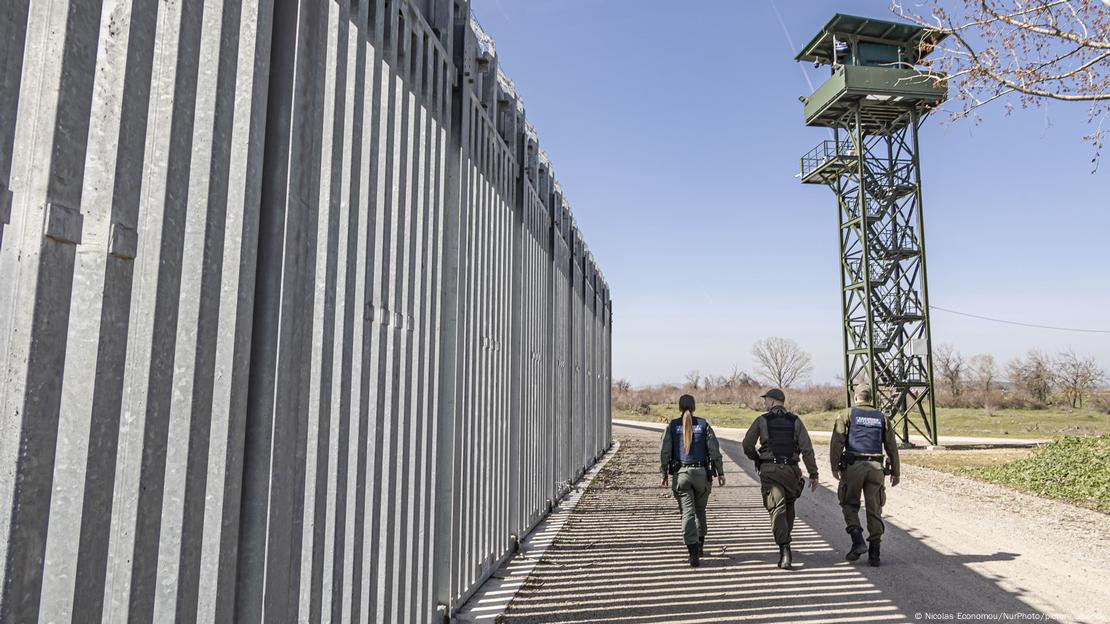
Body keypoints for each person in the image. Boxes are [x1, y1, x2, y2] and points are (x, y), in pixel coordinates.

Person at [741, 388, 819, 570]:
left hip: (770, 471)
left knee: (777, 508)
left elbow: (747, 445)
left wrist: (757, 458)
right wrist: (813, 473)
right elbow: (807, 449)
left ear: (773, 401)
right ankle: (785, 540)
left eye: (766, 400)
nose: (764, 403)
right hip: (791, 471)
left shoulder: (762, 420)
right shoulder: (796, 421)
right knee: (788, 506)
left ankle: (785, 549)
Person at [830, 387, 900, 567]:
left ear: (855, 398)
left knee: (849, 503)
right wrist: (895, 472)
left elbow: (837, 442)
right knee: (874, 507)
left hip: (853, 467)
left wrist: (834, 466)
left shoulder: (847, 414)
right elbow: (891, 446)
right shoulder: (882, 417)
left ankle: (857, 539)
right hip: (876, 468)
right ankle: (875, 553)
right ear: (871, 399)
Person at [659, 394, 725, 567]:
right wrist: (720, 472)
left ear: (679, 407)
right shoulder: (703, 425)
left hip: (681, 475)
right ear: (694, 407)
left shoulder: (672, 426)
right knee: (700, 510)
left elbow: (665, 451)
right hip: (702, 474)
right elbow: (714, 450)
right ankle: (701, 545)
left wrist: (664, 473)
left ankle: (693, 552)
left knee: (687, 513)